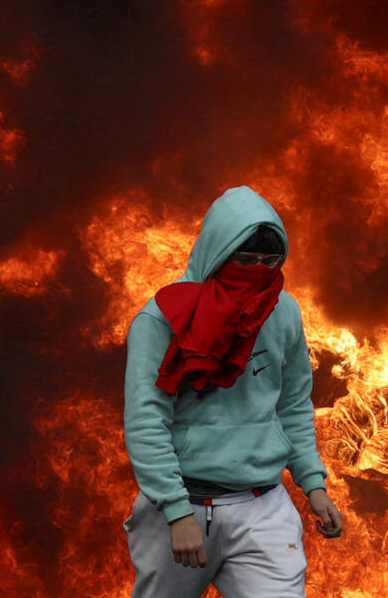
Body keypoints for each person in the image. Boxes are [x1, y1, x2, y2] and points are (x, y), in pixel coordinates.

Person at [122, 185, 343, 597]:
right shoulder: (161, 319)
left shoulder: (284, 311)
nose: (258, 269)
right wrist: (176, 510)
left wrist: (313, 484)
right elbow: (146, 419)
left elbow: (293, 404)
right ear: (218, 252)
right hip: (182, 506)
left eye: (270, 260)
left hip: (263, 505)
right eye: (245, 258)